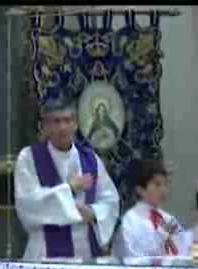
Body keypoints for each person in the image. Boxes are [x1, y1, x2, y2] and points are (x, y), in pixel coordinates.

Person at [14, 98, 120, 260]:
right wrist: (68, 189)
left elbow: (110, 200)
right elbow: (28, 203)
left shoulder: (90, 159)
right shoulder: (29, 158)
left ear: (75, 124)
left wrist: (93, 212)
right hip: (45, 253)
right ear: (46, 127)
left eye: (67, 120)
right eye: (56, 122)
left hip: (85, 251)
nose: (62, 127)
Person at [112, 159, 194, 258]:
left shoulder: (167, 219)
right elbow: (132, 256)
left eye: (165, 184)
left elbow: (183, 246)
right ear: (140, 189)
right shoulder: (131, 221)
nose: (163, 190)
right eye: (157, 184)